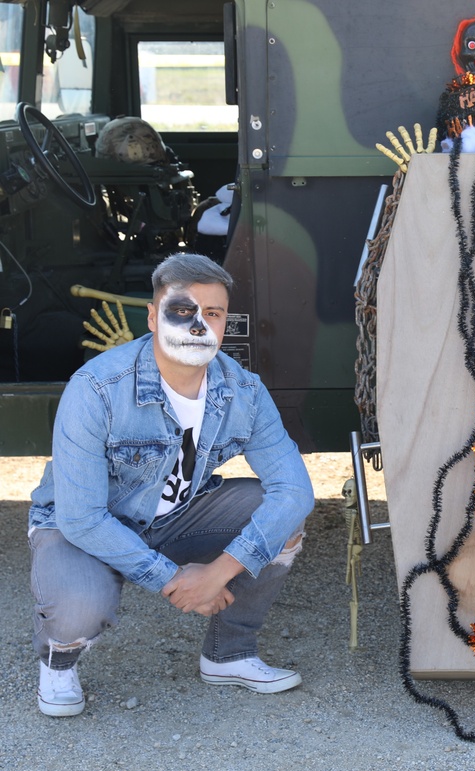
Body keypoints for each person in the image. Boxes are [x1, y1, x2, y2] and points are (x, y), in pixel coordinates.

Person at [29, 253, 314, 718]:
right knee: (80, 605)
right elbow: (80, 516)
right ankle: (59, 663)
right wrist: (174, 580)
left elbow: (294, 489)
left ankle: (230, 654)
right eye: (183, 310)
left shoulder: (244, 391)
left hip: (177, 516)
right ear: (153, 315)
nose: (199, 324)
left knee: (283, 518)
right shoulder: (98, 387)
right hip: (79, 528)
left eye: (214, 313)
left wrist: (219, 572)